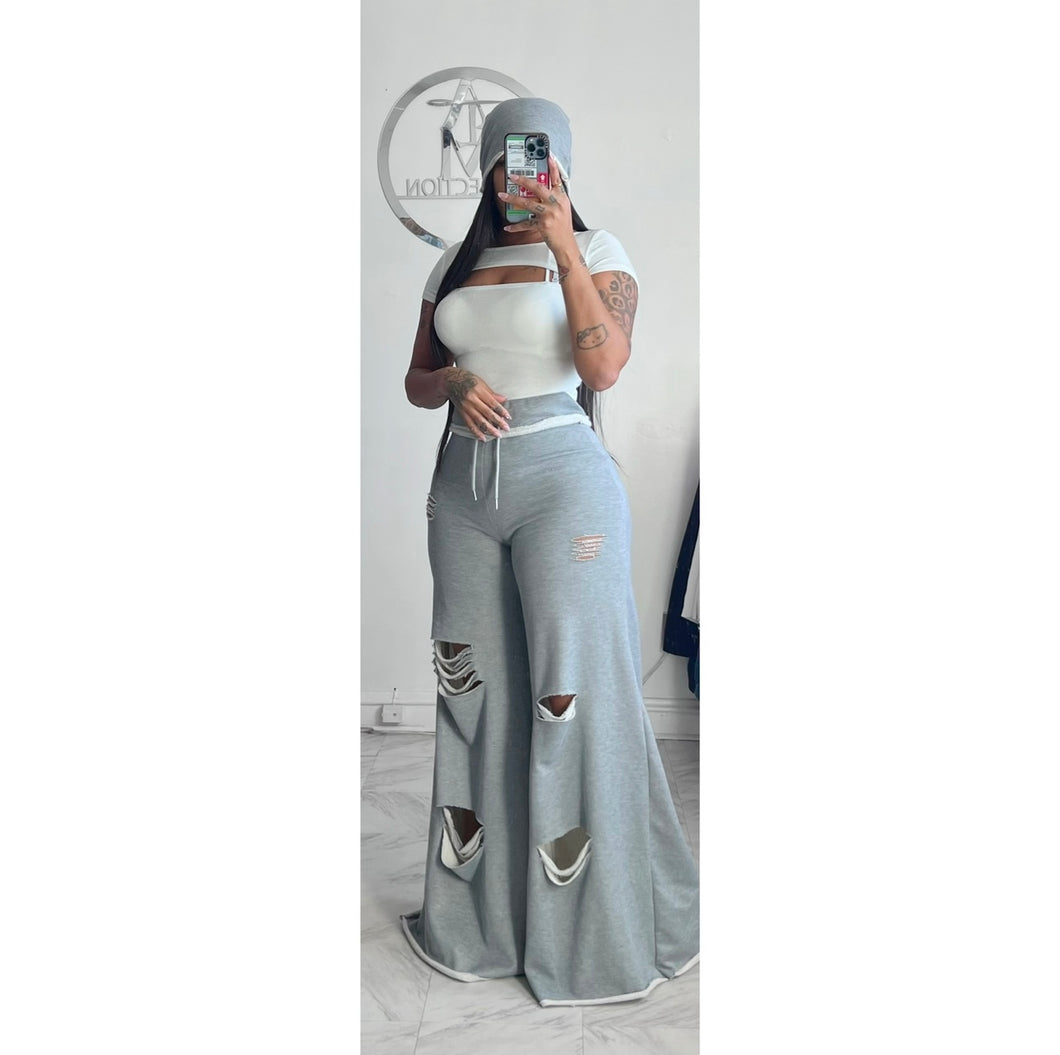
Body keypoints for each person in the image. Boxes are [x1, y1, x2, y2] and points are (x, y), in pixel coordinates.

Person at [400, 97, 699, 1006]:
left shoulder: (599, 252)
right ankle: (482, 922)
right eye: (505, 158)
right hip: (461, 490)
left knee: (575, 696)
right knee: (472, 696)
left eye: (538, 158)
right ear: (488, 165)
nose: (518, 173)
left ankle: (598, 931)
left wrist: (565, 245)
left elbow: (603, 367)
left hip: (563, 483)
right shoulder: (455, 263)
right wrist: (455, 379)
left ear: (561, 167)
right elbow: (416, 382)